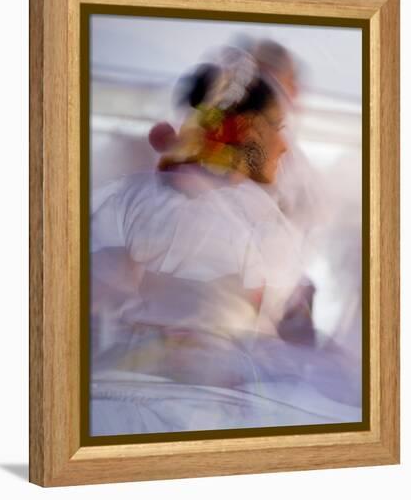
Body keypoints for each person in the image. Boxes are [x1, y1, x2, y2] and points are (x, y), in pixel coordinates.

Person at [90, 45, 361, 435]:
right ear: (245, 131)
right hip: (184, 402)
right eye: (278, 129)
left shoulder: (131, 197)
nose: (285, 145)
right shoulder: (249, 218)